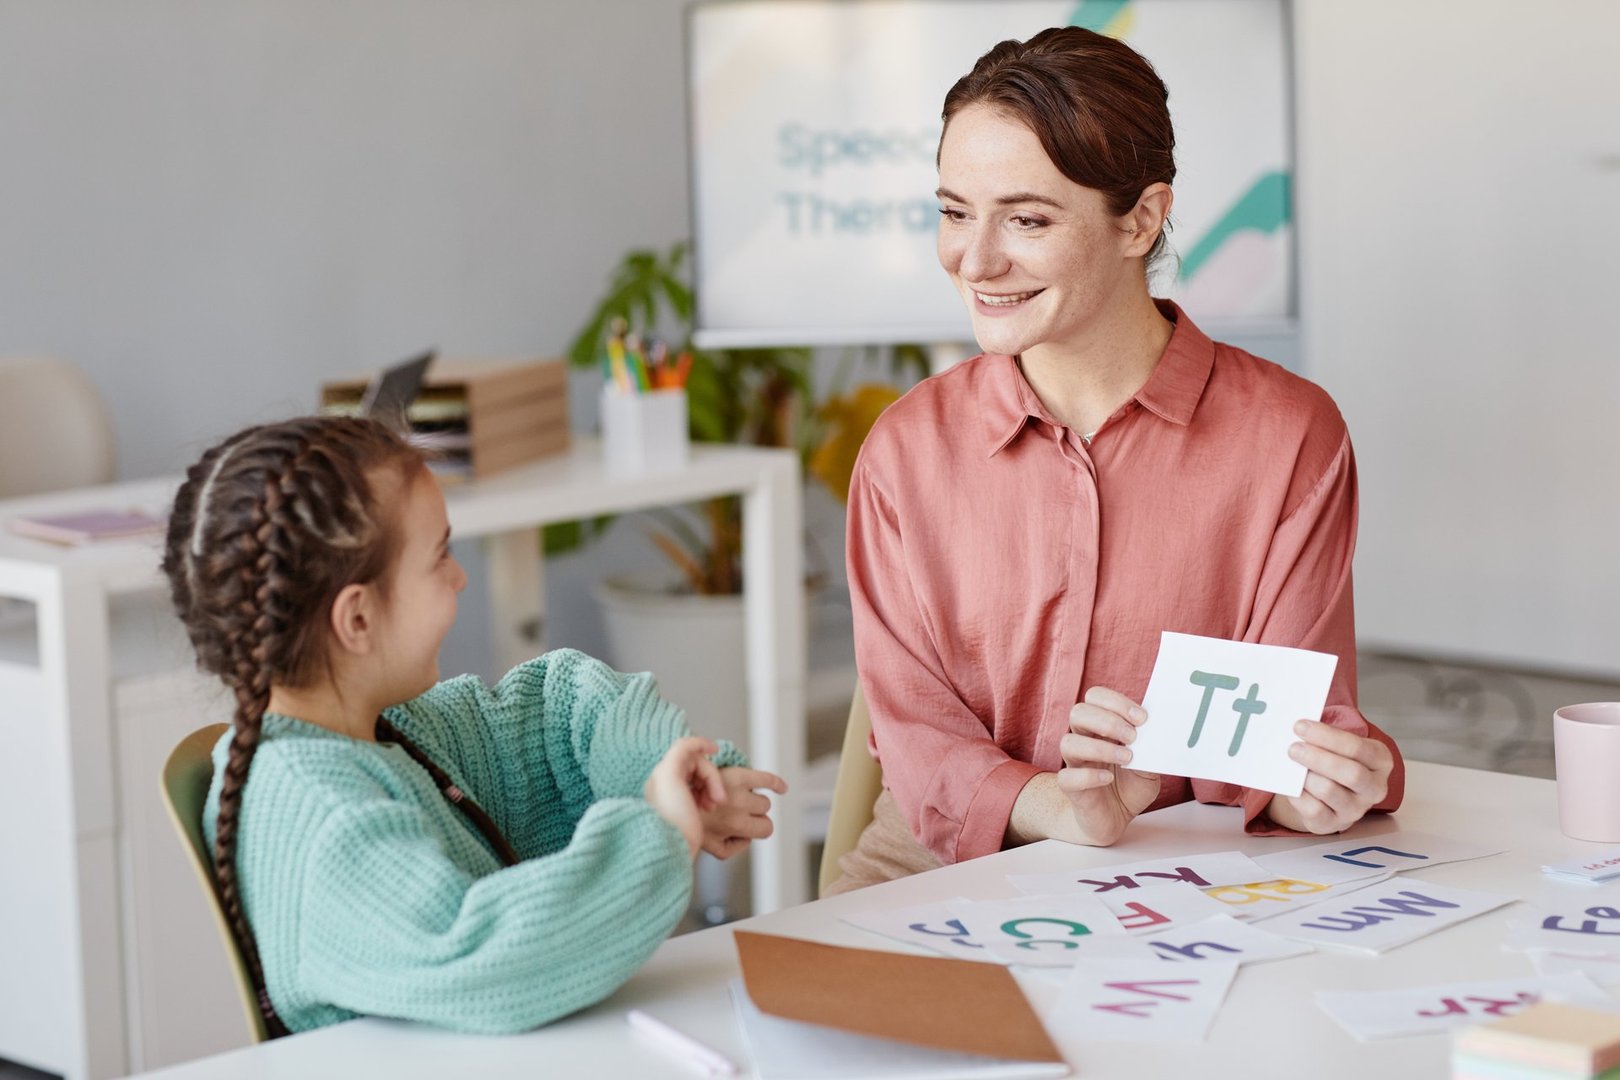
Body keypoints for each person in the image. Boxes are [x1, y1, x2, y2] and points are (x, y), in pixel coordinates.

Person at [830, 26, 1403, 893]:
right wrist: (1050, 805)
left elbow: (1291, 728)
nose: (974, 260)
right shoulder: (906, 452)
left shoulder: (1288, 437)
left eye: (1025, 219)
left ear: (1141, 219)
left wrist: (1313, 787)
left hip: (1182, 870)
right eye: (954, 212)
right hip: (933, 870)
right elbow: (916, 734)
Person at [161, 415, 786, 1034]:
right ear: (356, 620)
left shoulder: (386, 727)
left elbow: (557, 704)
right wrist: (658, 834)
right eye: (440, 558)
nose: (460, 576)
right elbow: (491, 958)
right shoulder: (319, 822)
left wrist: (666, 774)